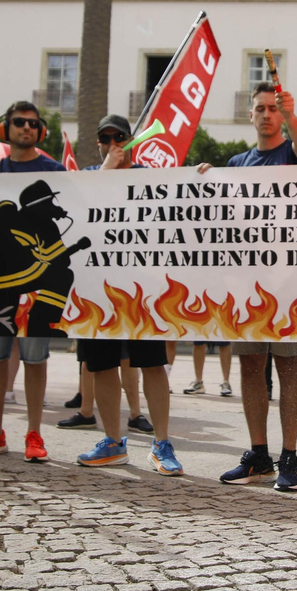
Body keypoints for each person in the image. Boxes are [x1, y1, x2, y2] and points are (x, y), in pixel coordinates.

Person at [216, 83, 297, 490]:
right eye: (261, 109)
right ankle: (259, 454)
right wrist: (204, 179)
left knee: (289, 365)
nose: (267, 114)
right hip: (247, 286)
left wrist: (295, 117)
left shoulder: (292, 153)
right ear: (251, 115)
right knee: (250, 366)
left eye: (274, 109)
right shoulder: (237, 162)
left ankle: (289, 456)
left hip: (289, 285)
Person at [73, 114, 183, 475]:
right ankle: (112, 442)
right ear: (98, 144)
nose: (113, 143)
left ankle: (162, 444)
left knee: (152, 364)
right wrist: (107, 168)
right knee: (101, 365)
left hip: (143, 291)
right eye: (105, 138)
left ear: (132, 140)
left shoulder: (149, 177)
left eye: (119, 136)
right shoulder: (88, 175)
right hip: (96, 291)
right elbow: (82, 208)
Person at [0, 101, 65, 462]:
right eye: (19, 122)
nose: (26, 128)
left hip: (39, 283)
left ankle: (34, 434)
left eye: (32, 124)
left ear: (41, 130)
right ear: (6, 128)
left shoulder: (54, 170)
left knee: (36, 358)